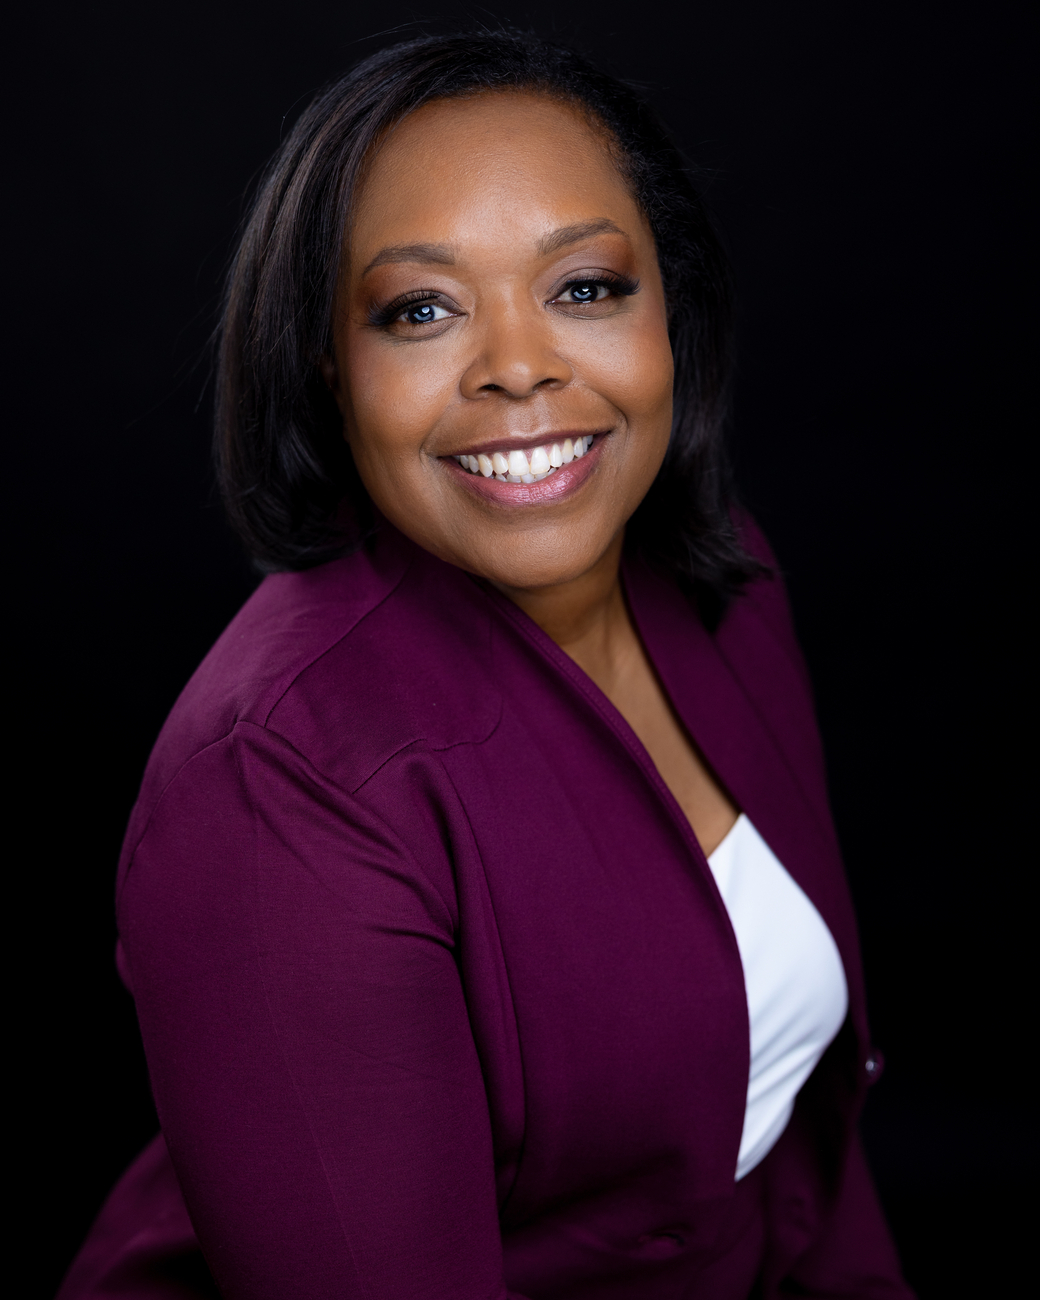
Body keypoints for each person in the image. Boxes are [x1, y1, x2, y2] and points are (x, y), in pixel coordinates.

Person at [59, 31, 914, 1300]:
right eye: (421, 309)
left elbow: (800, 1153)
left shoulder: (723, 577)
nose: (517, 364)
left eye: (584, 287)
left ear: (667, 308)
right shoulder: (274, 786)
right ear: (327, 362)